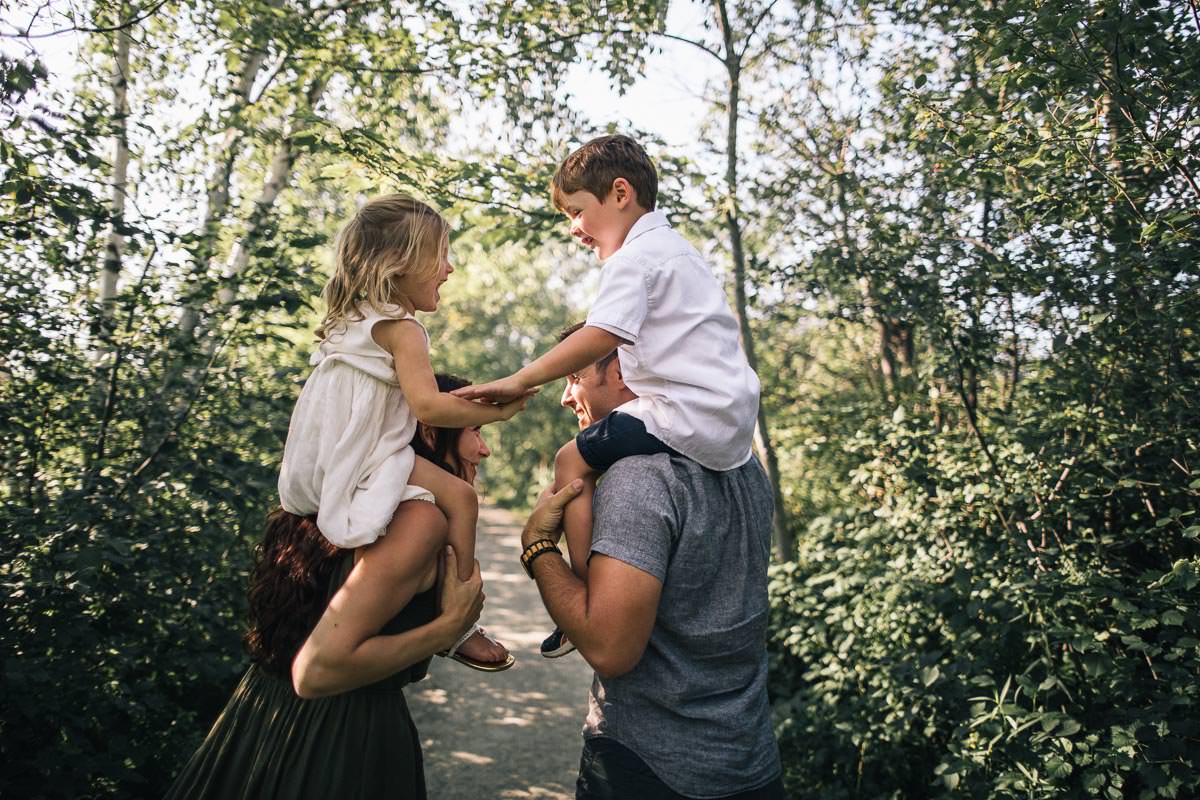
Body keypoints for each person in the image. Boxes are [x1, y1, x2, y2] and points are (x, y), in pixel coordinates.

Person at [455, 135, 760, 657]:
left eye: (577, 212)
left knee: (570, 460)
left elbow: (599, 335)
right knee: (592, 452)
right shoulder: (681, 253)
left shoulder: (634, 259)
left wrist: (521, 379)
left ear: (620, 193)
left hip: (682, 413)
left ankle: (586, 592)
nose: (573, 228)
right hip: (726, 420)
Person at [165, 375, 499, 800]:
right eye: (476, 431)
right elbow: (319, 670)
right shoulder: (417, 520)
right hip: (340, 738)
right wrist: (447, 628)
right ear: (431, 431)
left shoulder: (334, 495)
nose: (484, 450)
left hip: (259, 716)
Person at [514, 329, 785, 799]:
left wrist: (538, 547)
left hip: (650, 769)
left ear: (621, 370)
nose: (565, 397)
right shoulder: (745, 466)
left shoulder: (638, 479)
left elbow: (609, 649)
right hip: (751, 762)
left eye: (575, 377)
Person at [278, 195, 525, 670]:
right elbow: (427, 406)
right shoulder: (403, 328)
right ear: (399, 262)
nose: (450, 268)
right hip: (372, 452)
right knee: (462, 498)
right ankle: (459, 617)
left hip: (333, 452)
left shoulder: (352, 319)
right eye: (441, 256)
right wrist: (496, 413)